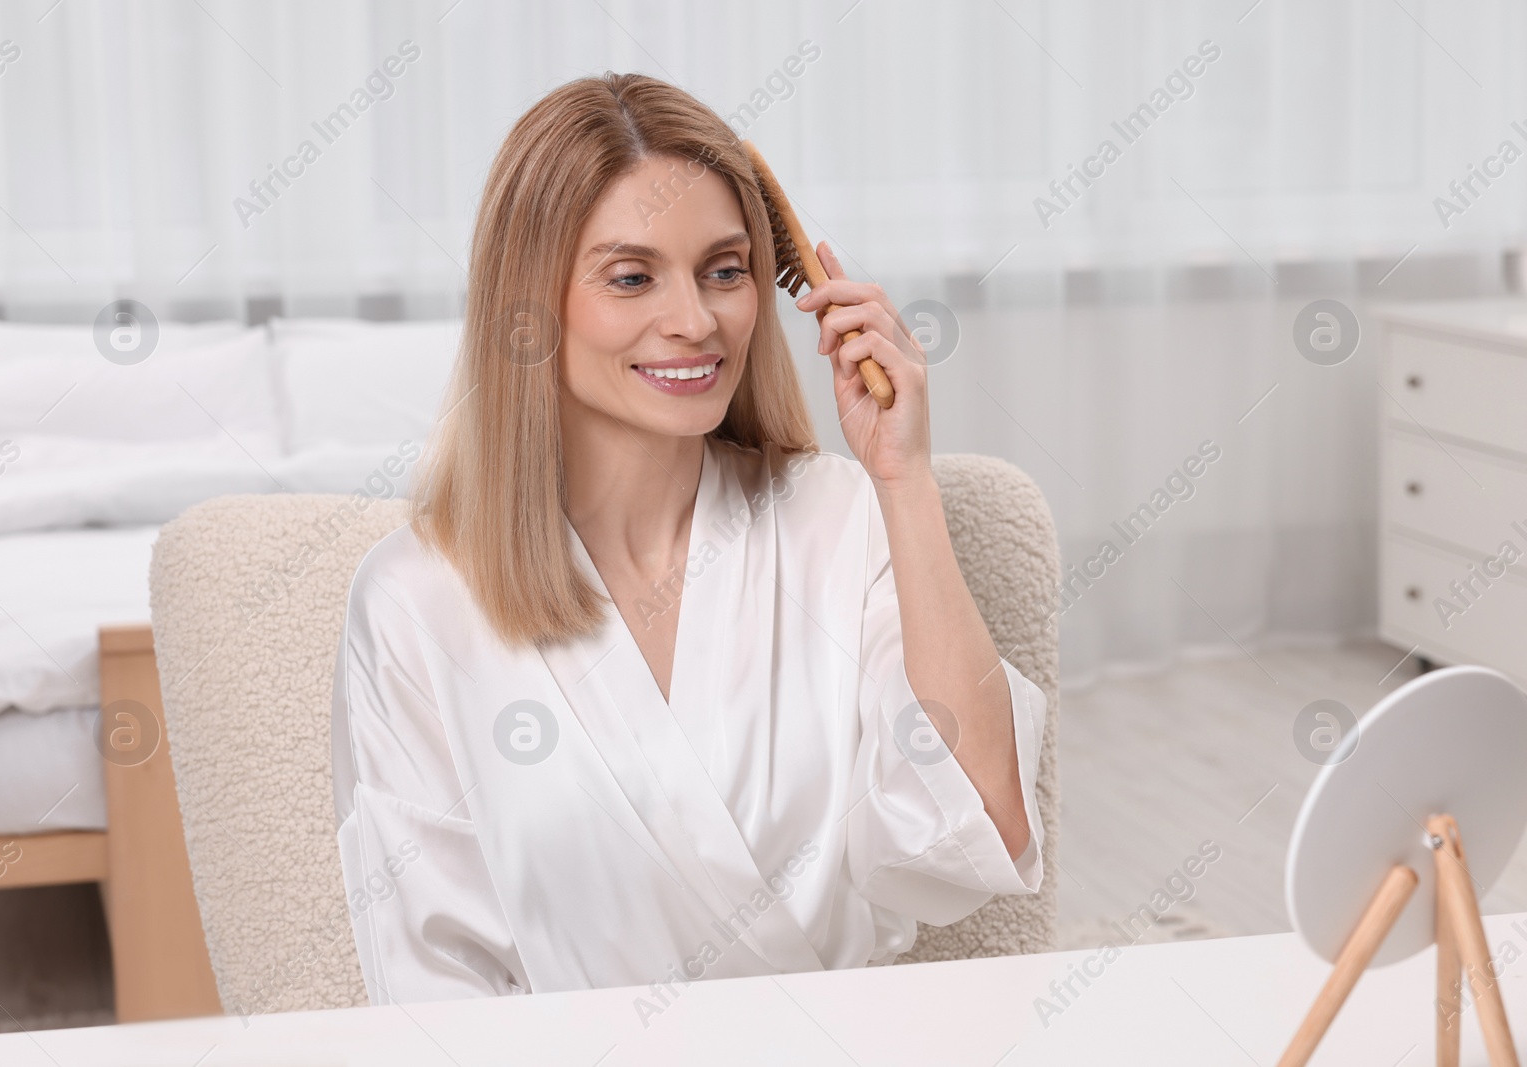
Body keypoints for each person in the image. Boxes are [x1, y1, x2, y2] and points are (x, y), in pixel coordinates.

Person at [330, 72, 1046, 1004]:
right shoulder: (414, 600)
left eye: (725, 269)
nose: (696, 320)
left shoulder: (837, 518)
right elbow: (431, 983)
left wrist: (903, 484)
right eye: (632, 277)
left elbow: (983, 826)